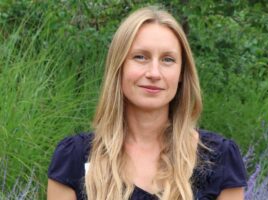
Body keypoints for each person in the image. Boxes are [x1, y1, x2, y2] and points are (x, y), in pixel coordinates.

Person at [47, 6, 247, 200]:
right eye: (140, 57)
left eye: (167, 60)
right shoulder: (74, 157)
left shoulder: (219, 158)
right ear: (119, 66)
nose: (154, 73)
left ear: (181, 73)